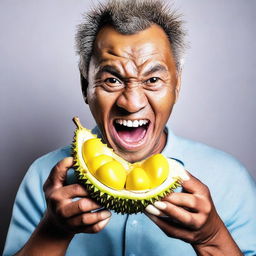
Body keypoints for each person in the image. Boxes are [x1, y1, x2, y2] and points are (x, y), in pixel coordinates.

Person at [3, 0, 256, 255]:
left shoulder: (230, 180)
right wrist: (53, 230)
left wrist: (212, 237)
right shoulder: (42, 177)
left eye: (153, 79)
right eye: (112, 80)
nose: (132, 103)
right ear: (85, 86)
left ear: (176, 85)